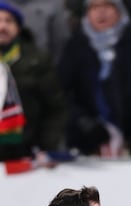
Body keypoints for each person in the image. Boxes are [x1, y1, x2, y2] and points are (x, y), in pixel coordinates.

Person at [59, 0, 131, 156]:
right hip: (89, 143)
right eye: (94, 7)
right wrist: (86, 124)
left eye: (107, 5)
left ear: (120, 10)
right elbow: (63, 94)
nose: (101, 12)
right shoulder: (75, 45)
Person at [0, 2, 66, 168]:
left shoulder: (37, 59)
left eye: (9, 21)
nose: (2, 26)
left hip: (27, 153)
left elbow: (55, 108)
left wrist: (46, 147)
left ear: (18, 27)